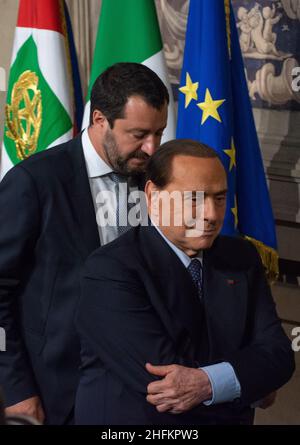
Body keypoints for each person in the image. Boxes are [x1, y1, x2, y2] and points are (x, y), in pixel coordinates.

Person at [75, 139, 295, 425]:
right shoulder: (111, 270)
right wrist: (246, 383)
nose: (212, 215)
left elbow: (279, 355)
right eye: (194, 198)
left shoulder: (241, 256)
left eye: (219, 198)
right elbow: (165, 386)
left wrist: (208, 383)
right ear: (153, 195)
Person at [0, 62, 169, 424]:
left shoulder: (157, 180)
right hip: (56, 394)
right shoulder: (34, 182)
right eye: (139, 133)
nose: (152, 148)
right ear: (99, 120)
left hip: (141, 393)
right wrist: (14, 388)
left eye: (159, 133)